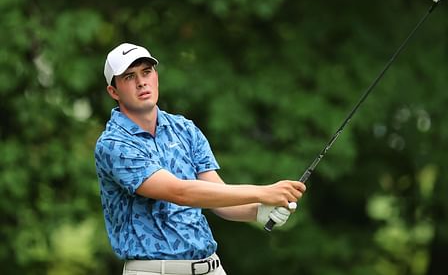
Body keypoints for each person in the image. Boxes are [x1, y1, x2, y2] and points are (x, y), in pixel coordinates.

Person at [94, 43, 306, 275]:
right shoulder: (113, 144)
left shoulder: (184, 129)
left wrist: (259, 210)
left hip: (211, 268)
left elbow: (215, 195)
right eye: (129, 77)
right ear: (113, 92)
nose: (141, 82)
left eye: (146, 72)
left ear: (156, 76)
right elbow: (180, 192)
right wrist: (262, 192)